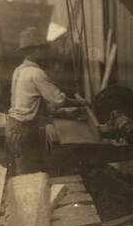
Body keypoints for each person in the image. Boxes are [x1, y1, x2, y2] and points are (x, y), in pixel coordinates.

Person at [6, 26, 86, 175]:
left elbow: (34, 104)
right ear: (33, 51)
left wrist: (66, 114)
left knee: (24, 171)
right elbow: (57, 100)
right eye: (42, 49)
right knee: (30, 175)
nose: (44, 53)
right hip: (24, 130)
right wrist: (81, 103)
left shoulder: (19, 70)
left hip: (13, 126)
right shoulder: (36, 73)